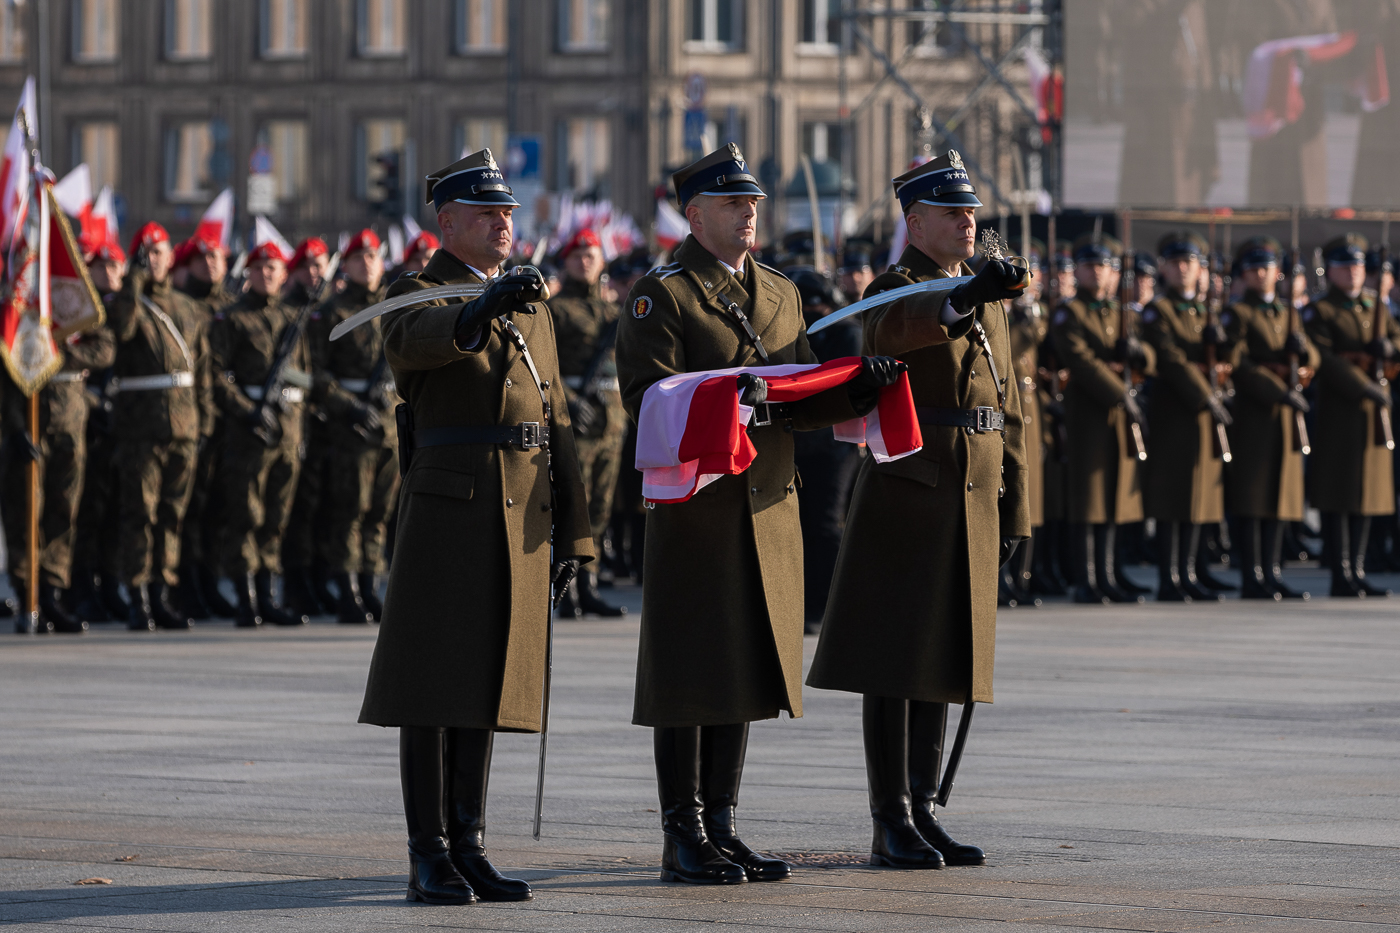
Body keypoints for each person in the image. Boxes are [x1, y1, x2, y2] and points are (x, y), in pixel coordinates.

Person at [616, 143, 899, 886]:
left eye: (754, 204)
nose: (749, 215)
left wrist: (856, 390)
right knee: (690, 668)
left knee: (742, 662)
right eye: (734, 204)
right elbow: (647, 401)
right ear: (696, 212)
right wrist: (737, 393)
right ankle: (684, 829)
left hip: (768, 499)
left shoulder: (778, 292)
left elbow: (800, 390)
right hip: (701, 505)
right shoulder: (662, 295)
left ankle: (724, 822)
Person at [358, 148, 594, 906]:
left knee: (489, 679)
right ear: (447, 220)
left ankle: (470, 842)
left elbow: (554, 417)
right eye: (487, 212)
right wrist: (480, 309)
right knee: (434, 686)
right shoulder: (414, 291)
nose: (503, 223)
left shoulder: (530, 299)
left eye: (509, 213)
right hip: (449, 505)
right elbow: (417, 343)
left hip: (521, 507)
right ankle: (428, 850)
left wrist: (577, 531)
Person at [807, 151, 1029, 871]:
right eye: (953, 212)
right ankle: (891, 816)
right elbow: (898, 331)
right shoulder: (895, 286)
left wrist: (1019, 502)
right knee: (897, 658)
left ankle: (925, 806)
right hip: (913, 489)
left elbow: (1010, 402)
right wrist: (963, 302)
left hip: (974, 487)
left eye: (973, 212)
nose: (969, 222)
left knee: (944, 652)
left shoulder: (980, 286)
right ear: (915, 221)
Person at [107, 223, 213, 631]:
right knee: (140, 513)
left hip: (184, 427)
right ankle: (137, 596)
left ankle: (161, 591)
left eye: (160, 252)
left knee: (171, 514)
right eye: (146, 254)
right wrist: (133, 281)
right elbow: (123, 330)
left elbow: (201, 369)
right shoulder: (127, 302)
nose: (155, 260)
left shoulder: (187, 307)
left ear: (172, 257)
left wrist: (204, 420)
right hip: (141, 429)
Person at [208, 240, 310, 627]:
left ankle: (269, 595)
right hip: (248, 430)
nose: (266, 274)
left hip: (287, 429)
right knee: (245, 514)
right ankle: (246, 598)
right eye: (259, 267)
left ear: (284, 275)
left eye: (274, 268)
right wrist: (246, 411)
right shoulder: (233, 318)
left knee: (276, 516)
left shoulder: (292, 318)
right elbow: (215, 375)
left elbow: (305, 375)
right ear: (248, 273)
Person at [1049, 235, 1155, 604]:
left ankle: (1108, 575)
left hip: (1116, 417)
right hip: (1088, 414)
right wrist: (1121, 392)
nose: (1098, 273)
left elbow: (1146, 357)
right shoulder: (1071, 312)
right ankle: (1087, 579)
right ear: (1077, 271)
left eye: (1104, 266)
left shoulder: (1118, 311)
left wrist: (1139, 354)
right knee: (1088, 499)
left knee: (1111, 499)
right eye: (1090, 266)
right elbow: (1081, 361)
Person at [307, 229, 400, 625]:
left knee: (379, 511)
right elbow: (317, 374)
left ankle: (369, 584)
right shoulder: (332, 313)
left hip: (389, 424)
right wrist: (351, 407)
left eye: (374, 257)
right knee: (350, 511)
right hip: (350, 428)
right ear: (345, 265)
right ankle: (347, 590)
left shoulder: (395, 308)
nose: (368, 264)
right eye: (359, 258)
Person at [1141, 231, 1237, 602]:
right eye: (1177, 263)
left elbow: (1226, 358)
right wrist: (1206, 396)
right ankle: (1170, 577)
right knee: (1173, 497)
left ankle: (1191, 571)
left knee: (1199, 495)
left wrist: (1224, 340)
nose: (1184, 269)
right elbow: (1171, 360)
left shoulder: (1205, 310)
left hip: (1203, 416)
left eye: (1191, 263)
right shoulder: (1159, 311)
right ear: (1164, 267)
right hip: (1175, 413)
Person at [1304, 234, 1400, 597]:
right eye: (1344, 267)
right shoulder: (1322, 310)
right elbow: (1325, 359)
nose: (1353, 273)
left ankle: (1357, 569)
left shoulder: (1376, 306)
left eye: (1358, 266)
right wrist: (1363, 385)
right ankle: (1340, 571)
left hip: (1376, 415)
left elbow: (1397, 338)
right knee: (1340, 495)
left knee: (1369, 495)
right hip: (1340, 414)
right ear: (1329, 271)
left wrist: (1391, 349)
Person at [1223, 236, 1318, 600]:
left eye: (1268, 268)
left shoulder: (1287, 312)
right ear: (1244, 275)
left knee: (1281, 496)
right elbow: (1238, 363)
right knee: (1254, 497)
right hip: (1256, 415)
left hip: (1285, 417)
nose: (1262, 274)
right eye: (1254, 269)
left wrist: (1305, 354)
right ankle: (1252, 574)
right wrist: (1279, 389)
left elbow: (1315, 359)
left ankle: (1272, 572)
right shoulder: (1239, 313)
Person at [547, 227, 627, 618]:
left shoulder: (616, 312)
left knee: (601, 508)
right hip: (574, 421)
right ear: (565, 262)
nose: (585, 261)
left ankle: (589, 584)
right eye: (577, 255)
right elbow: (543, 367)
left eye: (591, 255)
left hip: (611, 422)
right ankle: (567, 586)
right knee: (572, 507)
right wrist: (570, 401)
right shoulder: (556, 309)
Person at [789, 268, 862, 631]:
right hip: (801, 442)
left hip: (835, 444)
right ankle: (805, 601)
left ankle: (827, 604)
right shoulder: (793, 334)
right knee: (803, 524)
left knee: (827, 523)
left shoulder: (845, 331)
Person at [173, 232, 238, 621]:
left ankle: (209, 581)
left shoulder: (231, 306)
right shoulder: (185, 306)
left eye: (217, 257)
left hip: (229, 423)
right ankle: (187, 585)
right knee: (189, 508)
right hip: (194, 419)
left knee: (219, 508)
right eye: (203, 258)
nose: (211, 264)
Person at [70, 238, 129, 623]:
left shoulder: (126, 311)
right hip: (88, 421)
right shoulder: (83, 312)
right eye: (99, 267)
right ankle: (81, 589)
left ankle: (109, 584)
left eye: (114, 267)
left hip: (126, 425)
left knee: (116, 513)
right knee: (86, 513)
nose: (107, 273)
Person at [282, 236, 338, 617]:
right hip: (297, 421)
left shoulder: (330, 311)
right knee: (297, 511)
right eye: (307, 267)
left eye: (319, 267)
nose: (315, 274)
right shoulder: (291, 312)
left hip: (327, 421)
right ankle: (296, 586)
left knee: (323, 508)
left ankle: (319, 581)